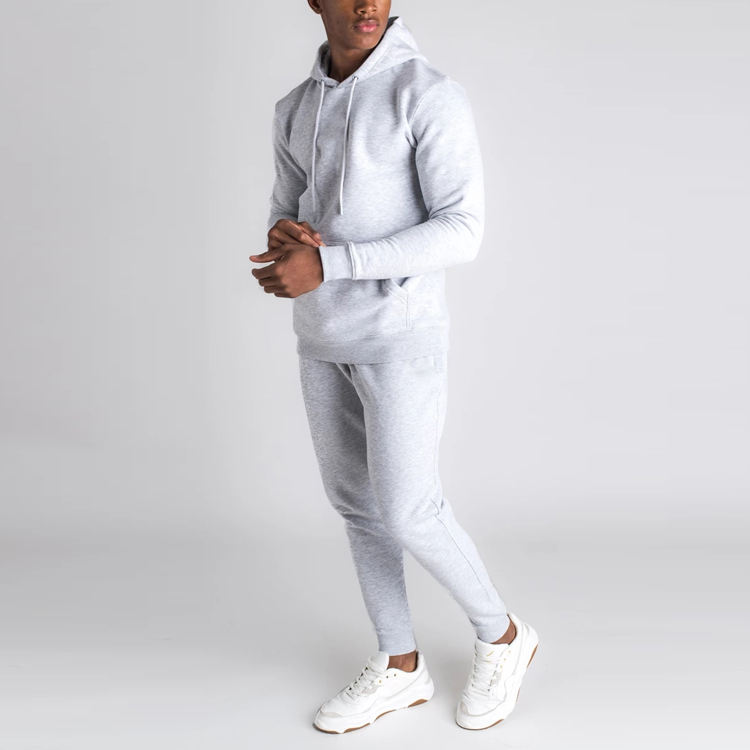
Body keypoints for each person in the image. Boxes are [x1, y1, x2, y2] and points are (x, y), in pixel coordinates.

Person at [250, 1, 539, 734]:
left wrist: (331, 263)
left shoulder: (427, 94)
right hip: (322, 335)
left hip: (400, 337)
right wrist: (285, 237)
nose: (368, 4)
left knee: (411, 508)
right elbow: (287, 206)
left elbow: (462, 229)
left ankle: (504, 634)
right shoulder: (294, 108)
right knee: (358, 505)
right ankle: (399, 663)